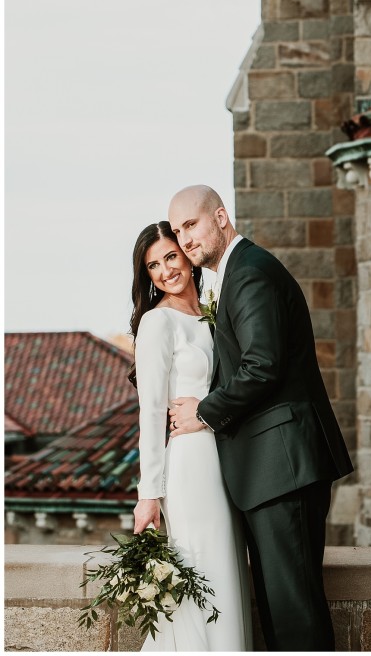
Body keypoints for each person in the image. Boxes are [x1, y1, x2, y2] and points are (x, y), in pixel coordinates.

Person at [168, 184, 354, 652]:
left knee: (295, 618)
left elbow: (262, 365)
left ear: (220, 217)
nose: (185, 240)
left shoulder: (250, 273)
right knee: (278, 614)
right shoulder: (235, 274)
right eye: (177, 231)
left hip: (283, 468)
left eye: (191, 225)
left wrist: (204, 412)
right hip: (269, 471)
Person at [130, 221, 252, 652]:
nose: (166, 271)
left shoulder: (212, 312)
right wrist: (149, 494)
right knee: (201, 566)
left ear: (186, 253)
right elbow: (150, 411)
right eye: (154, 266)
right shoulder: (157, 322)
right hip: (189, 465)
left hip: (225, 458)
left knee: (226, 566)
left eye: (171, 257)